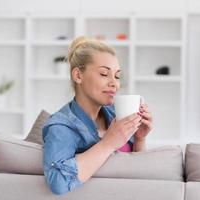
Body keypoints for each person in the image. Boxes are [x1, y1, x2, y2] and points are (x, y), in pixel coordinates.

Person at [42, 36, 153, 195]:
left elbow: (138, 175)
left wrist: (140, 139)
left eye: (117, 76)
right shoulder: (61, 127)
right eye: (103, 73)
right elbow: (58, 182)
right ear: (78, 76)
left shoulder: (116, 114)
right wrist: (108, 143)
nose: (114, 83)